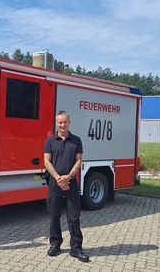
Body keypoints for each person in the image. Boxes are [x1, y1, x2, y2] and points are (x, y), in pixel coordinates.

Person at [44, 110, 89, 262]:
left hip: (71, 182)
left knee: (74, 216)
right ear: (57, 123)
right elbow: (46, 161)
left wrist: (68, 177)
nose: (62, 125)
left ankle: (76, 249)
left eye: (65, 122)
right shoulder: (50, 140)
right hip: (55, 183)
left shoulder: (76, 140)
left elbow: (79, 161)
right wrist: (58, 178)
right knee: (54, 214)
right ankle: (55, 244)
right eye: (60, 122)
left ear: (69, 122)